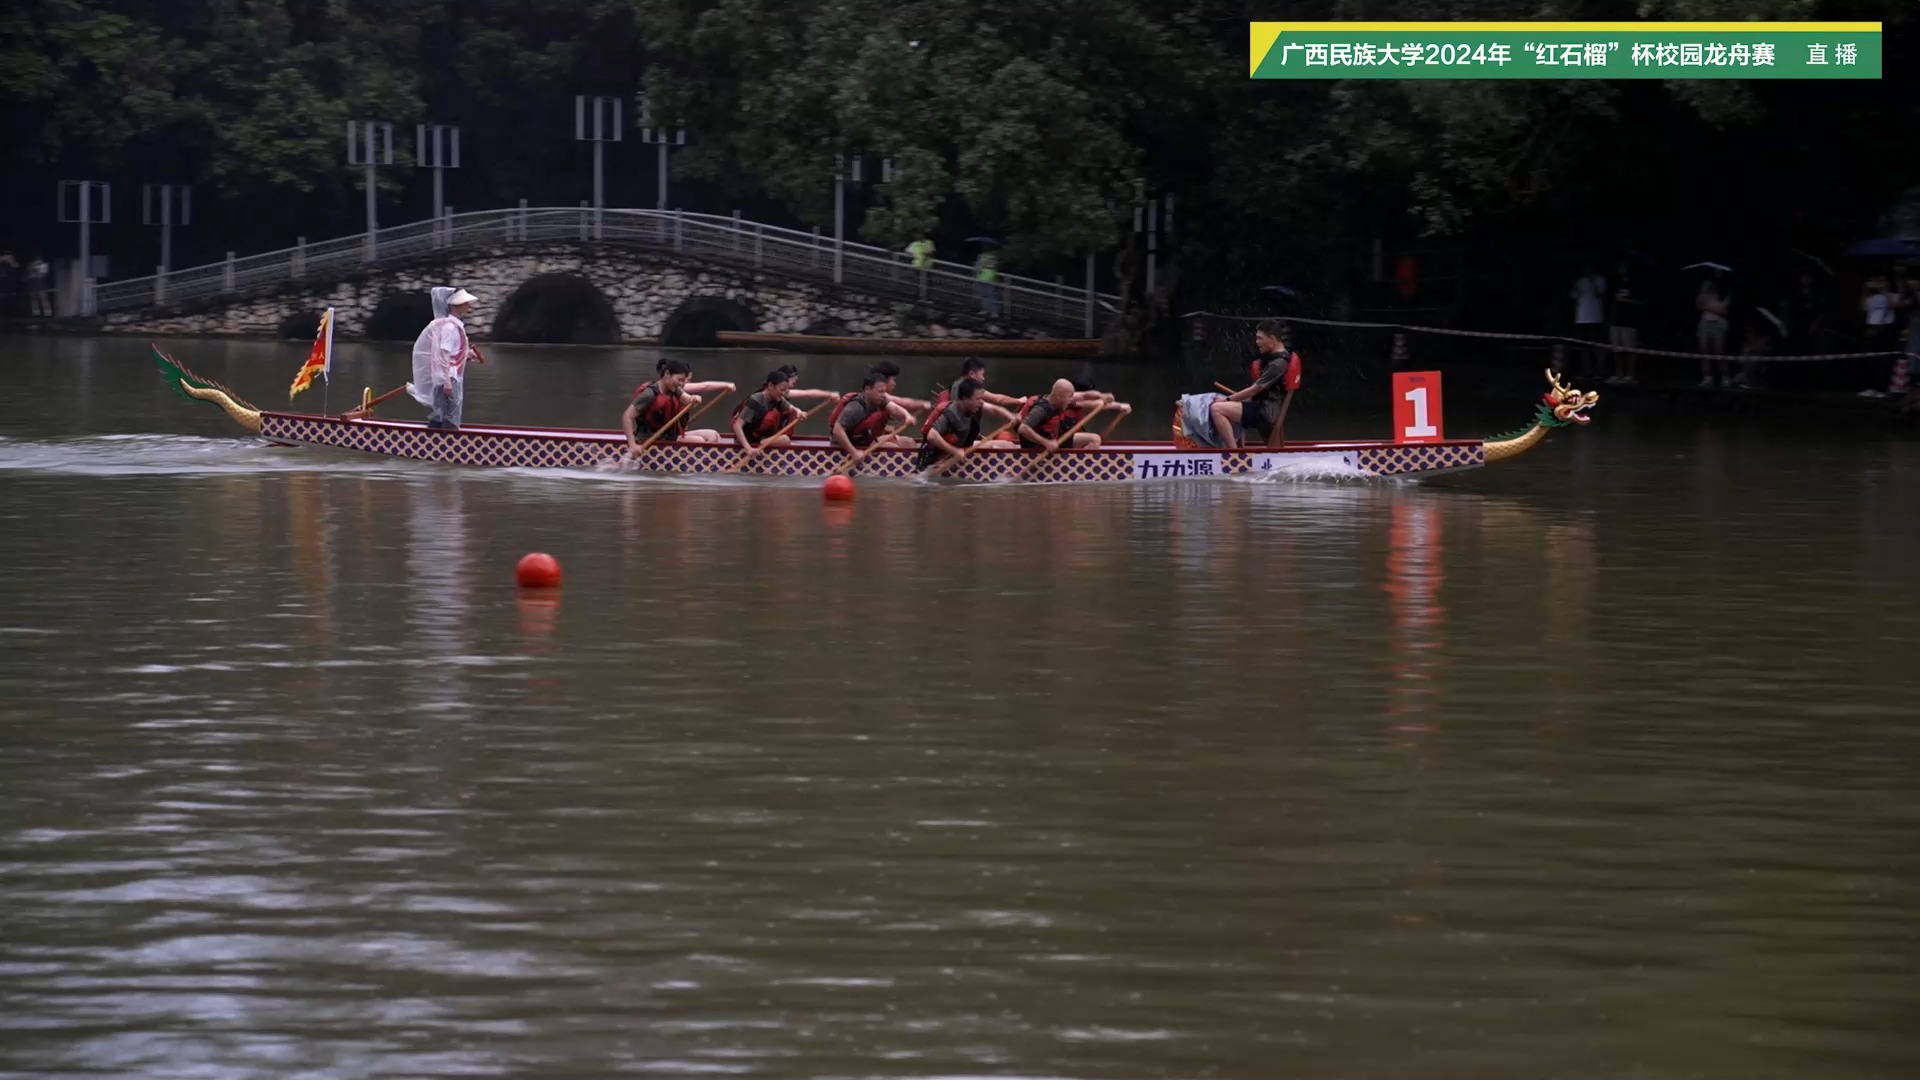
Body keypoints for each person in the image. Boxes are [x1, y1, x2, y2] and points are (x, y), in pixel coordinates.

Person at [1209, 319, 1301, 448]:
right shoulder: (1276, 358)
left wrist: (1227, 399)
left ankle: (1233, 454)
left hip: (1265, 412)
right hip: (1263, 407)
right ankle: (1236, 447)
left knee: (1217, 409)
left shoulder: (1278, 363)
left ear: (1273, 339)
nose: (1257, 343)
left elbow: (1254, 390)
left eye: (1260, 338)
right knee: (1228, 406)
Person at [408, 287, 482, 429]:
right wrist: (447, 382)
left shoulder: (453, 326)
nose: (468, 307)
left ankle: (433, 440)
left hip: (448, 376)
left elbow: (453, 351)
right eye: (465, 303)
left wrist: (467, 354)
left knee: (441, 413)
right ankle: (448, 443)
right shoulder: (450, 327)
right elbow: (443, 354)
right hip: (447, 377)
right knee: (450, 416)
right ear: (457, 306)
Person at [623, 359, 735, 450]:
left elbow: (689, 401)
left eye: (684, 381)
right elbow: (627, 416)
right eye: (679, 380)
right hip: (651, 438)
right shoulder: (649, 394)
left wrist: (695, 399)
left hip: (670, 435)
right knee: (700, 442)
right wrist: (633, 446)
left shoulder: (675, 389)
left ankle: (705, 466)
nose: (681, 384)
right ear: (667, 374)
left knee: (712, 435)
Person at [917, 377, 1018, 471]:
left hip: (961, 448)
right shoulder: (950, 413)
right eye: (977, 399)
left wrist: (1011, 417)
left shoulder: (975, 405)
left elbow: (995, 410)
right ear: (965, 398)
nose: (980, 402)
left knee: (1007, 444)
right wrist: (955, 451)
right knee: (995, 446)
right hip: (940, 456)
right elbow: (931, 435)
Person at [830, 372, 915, 465]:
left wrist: (907, 416)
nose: (883, 394)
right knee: (892, 447)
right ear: (867, 389)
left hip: (866, 442)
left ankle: (915, 472)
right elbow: (837, 430)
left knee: (908, 442)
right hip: (847, 447)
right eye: (880, 391)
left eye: (884, 391)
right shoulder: (855, 407)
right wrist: (854, 452)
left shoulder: (880, 399)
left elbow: (894, 409)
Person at [1018, 379, 1108, 452]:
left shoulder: (1059, 400)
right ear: (1058, 396)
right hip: (1038, 448)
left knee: (1094, 439)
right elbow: (1023, 428)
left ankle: (1076, 467)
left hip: (1055, 439)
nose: (1071, 400)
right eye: (1069, 397)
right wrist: (1046, 442)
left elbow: (1084, 395)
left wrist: (1102, 396)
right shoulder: (1041, 410)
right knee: (1094, 439)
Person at [731, 368, 804, 451]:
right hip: (749, 440)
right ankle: (763, 442)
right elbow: (737, 425)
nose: (783, 393)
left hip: (762, 437)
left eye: (785, 390)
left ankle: (766, 441)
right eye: (782, 390)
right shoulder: (756, 400)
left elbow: (791, 408)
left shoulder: (778, 398)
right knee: (785, 439)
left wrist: (799, 412)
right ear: (770, 386)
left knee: (785, 439)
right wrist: (748, 448)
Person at [1607, 261, 1643, 386]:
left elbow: (1641, 302)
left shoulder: (1635, 284)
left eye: (1624, 267)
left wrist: (1625, 300)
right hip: (1615, 320)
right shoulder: (1615, 284)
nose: (1621, 270)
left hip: (1629, 321)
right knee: (1617, 350)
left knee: (1630, 350)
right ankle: (1619, 374)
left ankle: (1630, 375)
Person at [1570, 265, 1608, 377]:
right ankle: (1587, 371)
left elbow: (1600, 294)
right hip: (1581, 318)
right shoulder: (1580, 282)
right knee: (1584, 346)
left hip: (1596, 318)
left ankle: (1600, 371)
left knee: (1597, 345)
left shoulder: (1600, 280)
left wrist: (1592, 281)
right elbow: (1574, 297)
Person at [1696, 275, 1732, 388]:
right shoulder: (1702, 296)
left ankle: (1725, 377)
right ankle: (1707, 378)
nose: (1707, 286)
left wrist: (1714, 307)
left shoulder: (1720, 294)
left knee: (1719, 352)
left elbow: (1723, 309)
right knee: (1705, 351)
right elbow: (1700, 305)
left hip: (1718, 324)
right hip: (1705, 323)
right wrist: (1714, 307)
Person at [974, 247, 1000, 318]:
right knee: (983, 295)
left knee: (991, 295)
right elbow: (978, 266)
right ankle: (985, 310)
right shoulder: (981, 256)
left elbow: (993, 266)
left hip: (989, 278)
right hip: (981, 277)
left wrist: (983, 266)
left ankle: (994, 312)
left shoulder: (992, 257)